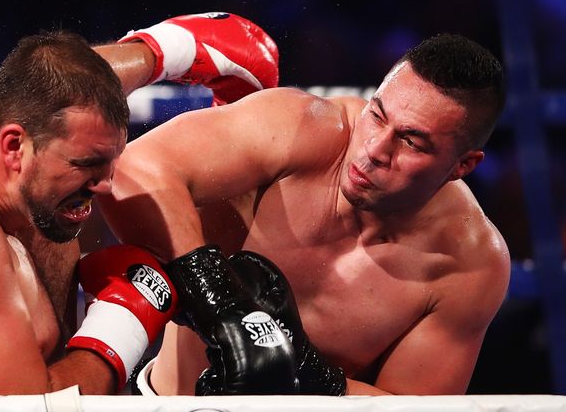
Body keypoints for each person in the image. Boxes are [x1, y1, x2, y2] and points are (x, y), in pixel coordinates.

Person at [0, 13, 281, 395]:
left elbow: (78, 77)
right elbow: (35, 408)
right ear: (15, 147)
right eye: (88, 164)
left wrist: (168, 49)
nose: (107, 185)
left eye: (111, 160)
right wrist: (123, 319)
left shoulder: (36, 152)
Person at [99, 31, 510, 395]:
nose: (374, 150)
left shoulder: (470, 263)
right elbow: (135, 170)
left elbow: (409, 410)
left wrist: (305, 369)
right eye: (378, 114)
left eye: (412, 142)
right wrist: (224, 308)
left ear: (463, 165)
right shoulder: (301, 131)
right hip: (169, 402)